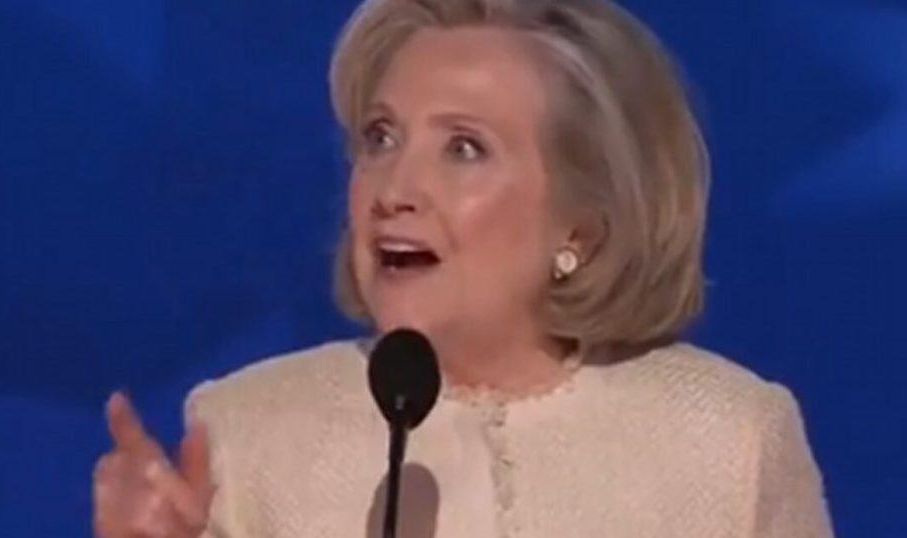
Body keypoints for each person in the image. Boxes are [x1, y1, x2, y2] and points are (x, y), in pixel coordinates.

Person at [92, 0, 834, 536]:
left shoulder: (730, 441)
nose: (394, 188)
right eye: (381, 138)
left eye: (464, 148)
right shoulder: (246, 433)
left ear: (579, 227)